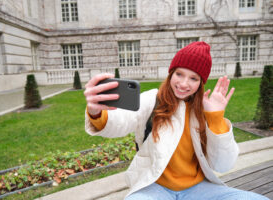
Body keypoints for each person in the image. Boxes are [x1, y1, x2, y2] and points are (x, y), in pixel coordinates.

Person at [84, 42, 269, 200]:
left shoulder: (205, 111)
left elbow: (224, 165)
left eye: (193, 78)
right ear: (171, 73)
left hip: (198, 189)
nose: (183, 83)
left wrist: (215, 117)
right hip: (154, 187)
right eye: (179, 74)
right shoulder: (153, 100)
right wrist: (96, 111)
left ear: (200, 83)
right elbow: (120, 121)